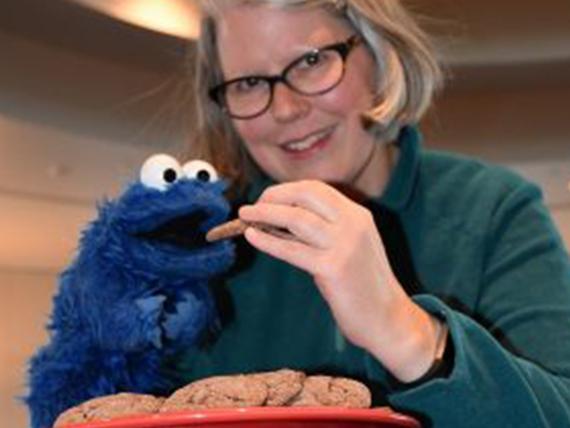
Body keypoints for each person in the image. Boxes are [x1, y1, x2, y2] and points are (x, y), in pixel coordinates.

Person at [176, 0, 570, 427]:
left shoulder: (495, 209)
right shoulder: (198, 250)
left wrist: (406, 332)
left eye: (312, 60)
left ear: (381, 55)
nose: (285, 109)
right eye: (249, 82)